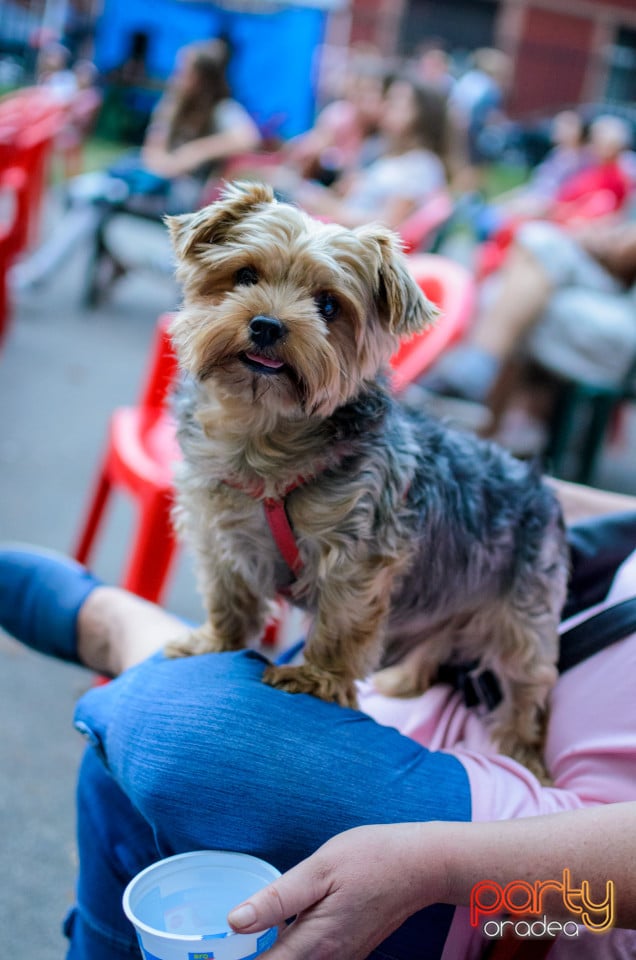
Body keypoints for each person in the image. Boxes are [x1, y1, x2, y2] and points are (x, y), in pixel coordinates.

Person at [1, 481, 636, 958]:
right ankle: (165, 664)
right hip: (446, 696)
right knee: (138, 776)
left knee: (187, 741)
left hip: (552, 897)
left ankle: (131, 637)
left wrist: (437, 865)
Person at [12, 39, 261, 293]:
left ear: (202, 78)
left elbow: (248, 137)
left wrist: (193, 151)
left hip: (178, 197)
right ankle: (54, 267)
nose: (177, 76)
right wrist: (168, 159)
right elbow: (154, 154)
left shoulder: (221, 110)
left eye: (185, 70)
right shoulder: (173, 103)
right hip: (151, 185)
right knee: (87, 197)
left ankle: (41, 273)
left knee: (92, 200)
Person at [418, 218, 636, 450]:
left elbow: (624, 252)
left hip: (625, 311)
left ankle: (477, 377)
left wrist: (600, 240)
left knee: (530, 267)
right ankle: (482, 425)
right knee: (527, 270)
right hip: (613, 287)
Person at [272, 76, 451, 231]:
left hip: (345, 238)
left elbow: (389, 225)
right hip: (335, 223)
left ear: (421, 117)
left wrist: (328, 209)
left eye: (396, 103)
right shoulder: (392, 155)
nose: (386, 106)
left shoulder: (421, 165)